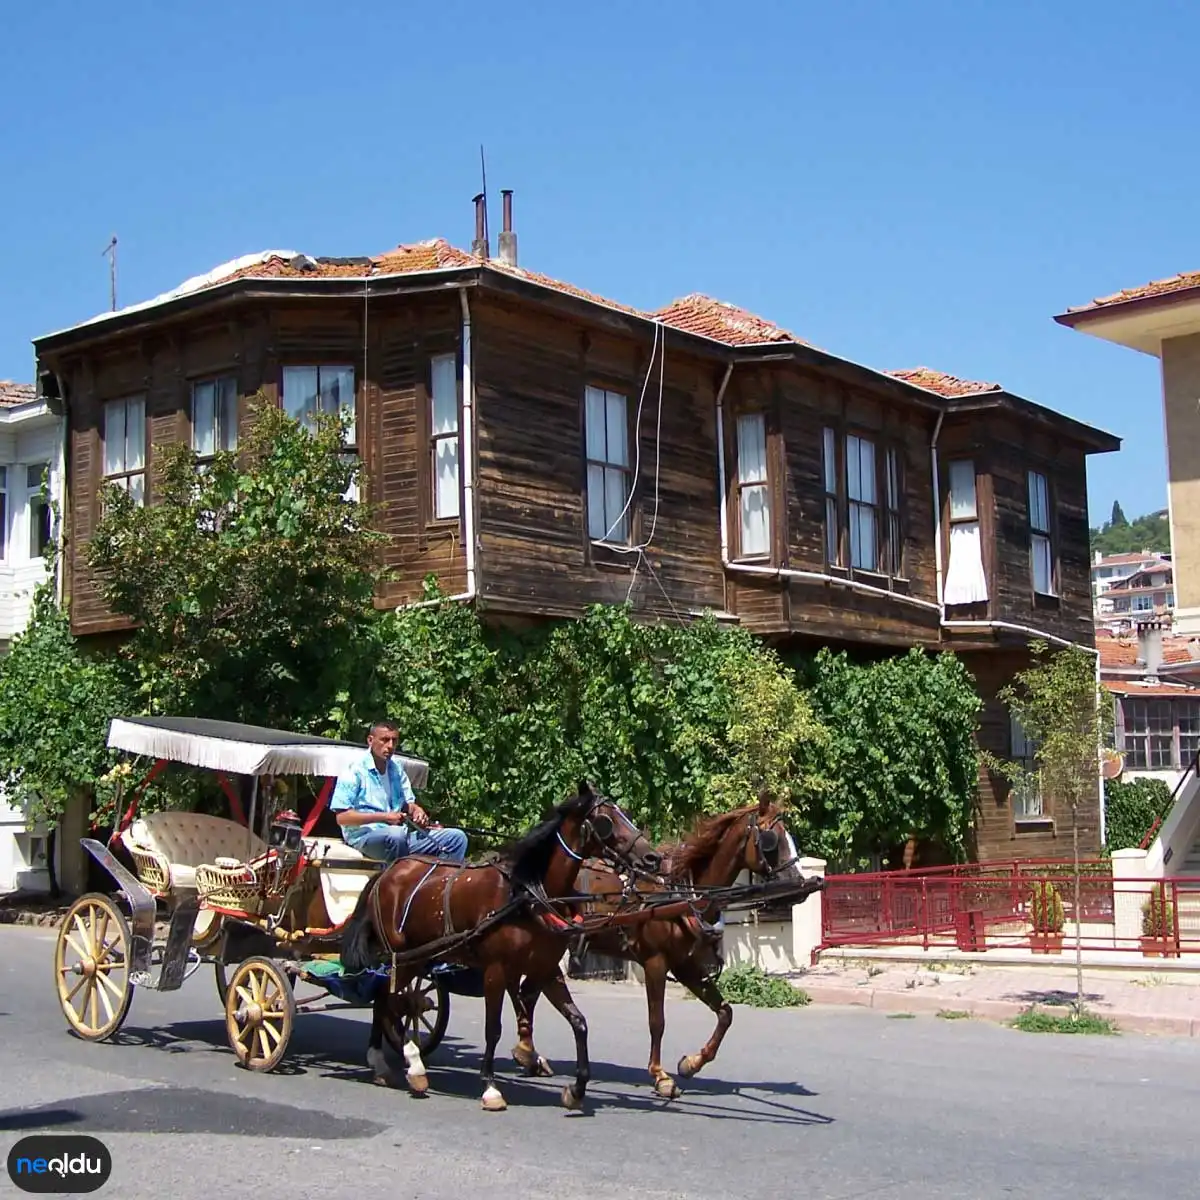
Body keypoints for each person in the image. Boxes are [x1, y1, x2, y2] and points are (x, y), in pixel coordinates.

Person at [331, 719, 468, 864]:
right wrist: (384, 817)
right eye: (384, 740)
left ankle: (437, 884)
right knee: (395, 835)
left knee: (457, 838)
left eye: (394, 741)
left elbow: (407, 805)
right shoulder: (355, 770)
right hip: (365, 838)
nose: (390, 746)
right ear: (370, 740)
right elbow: (342, 817)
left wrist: (417, 811)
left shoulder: (396, 768)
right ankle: (401, 884)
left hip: (400, 836)